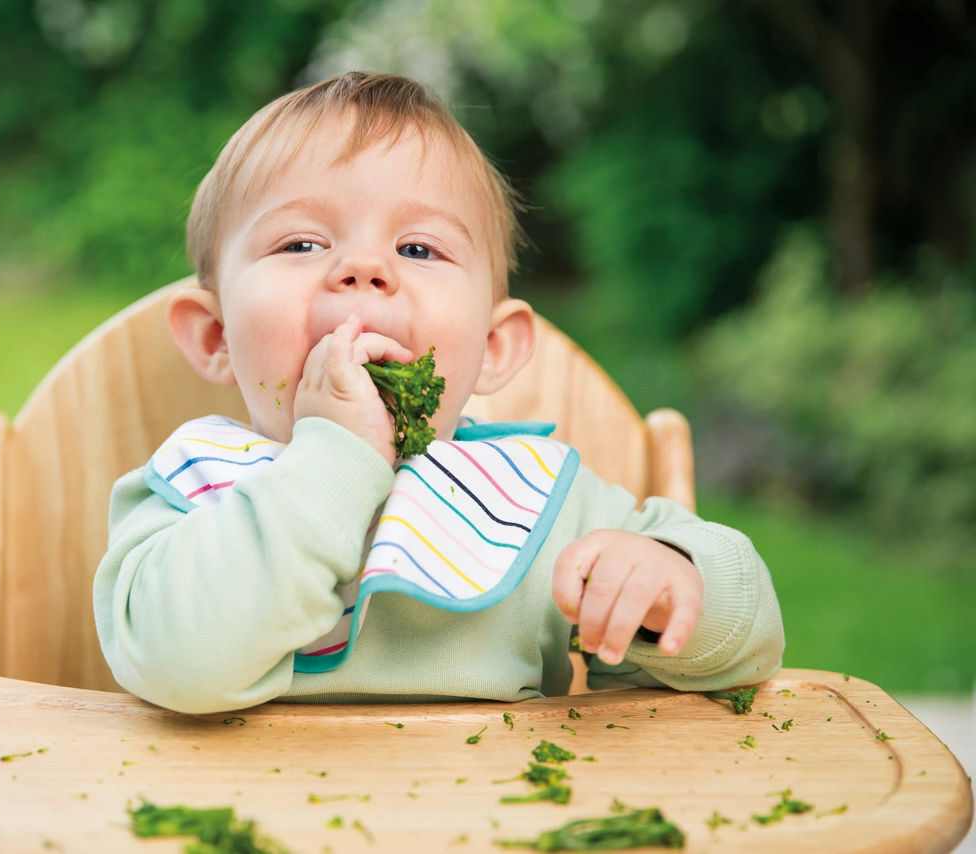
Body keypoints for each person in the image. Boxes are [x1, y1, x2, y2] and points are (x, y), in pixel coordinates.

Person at [93, 71, 783, 714]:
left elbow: (750, 644)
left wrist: (667, 583)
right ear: (215, 335)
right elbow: (180, 662)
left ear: (492, 348)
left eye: (419, 250)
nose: (363, 268)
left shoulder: (536, 504)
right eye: (302, 243)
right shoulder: (190, 495)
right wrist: (336, 455)